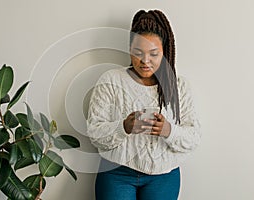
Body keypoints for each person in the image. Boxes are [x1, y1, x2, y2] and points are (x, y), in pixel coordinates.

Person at [86, 9, 201, 200]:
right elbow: (95, 133)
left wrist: (168, 131)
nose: (145, 61)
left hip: (164, 175)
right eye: (138, 53)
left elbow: (194, 137)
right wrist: (124, 127)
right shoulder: (111, 80)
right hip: (116, 173)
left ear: (165, 52)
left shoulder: (178, 86)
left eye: (154, 54)